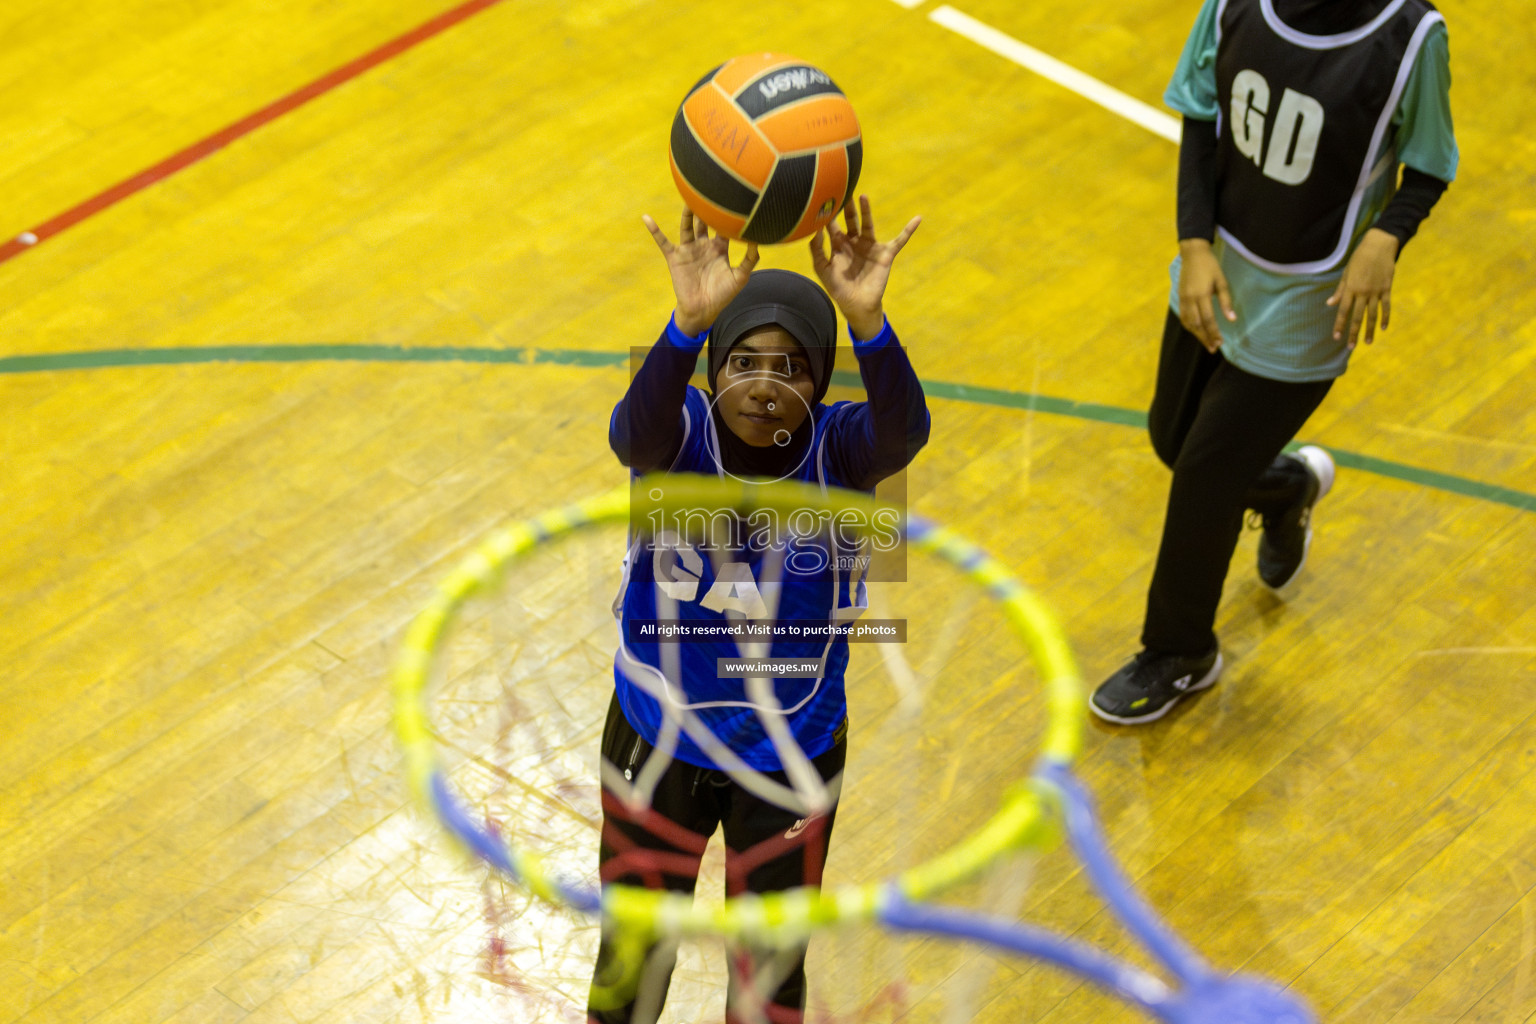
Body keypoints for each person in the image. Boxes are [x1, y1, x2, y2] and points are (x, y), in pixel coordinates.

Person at [590, 197, 928, 1023]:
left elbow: (906, 431)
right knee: (632, 958)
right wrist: (684, 328)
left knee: (768, 975)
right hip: (656, 739)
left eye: (792, 367)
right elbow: (628, 433)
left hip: (790, 755)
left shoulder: (844, 450)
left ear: (819, 381)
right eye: (744, 361)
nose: (767, 384)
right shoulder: (674, 437)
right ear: (714, 372)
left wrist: (871, 323)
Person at [1091, 0, 1458, 724]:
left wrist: (1387, 238)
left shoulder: (1413, 37)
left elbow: (1430, 162)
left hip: (1312, 309)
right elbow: (1199, 115)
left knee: (1205, 473)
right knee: (1174, 440)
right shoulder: (1233, 6)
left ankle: (1180, 651)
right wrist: (1194, 244)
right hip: (1218, 270)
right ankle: (1286, 488)